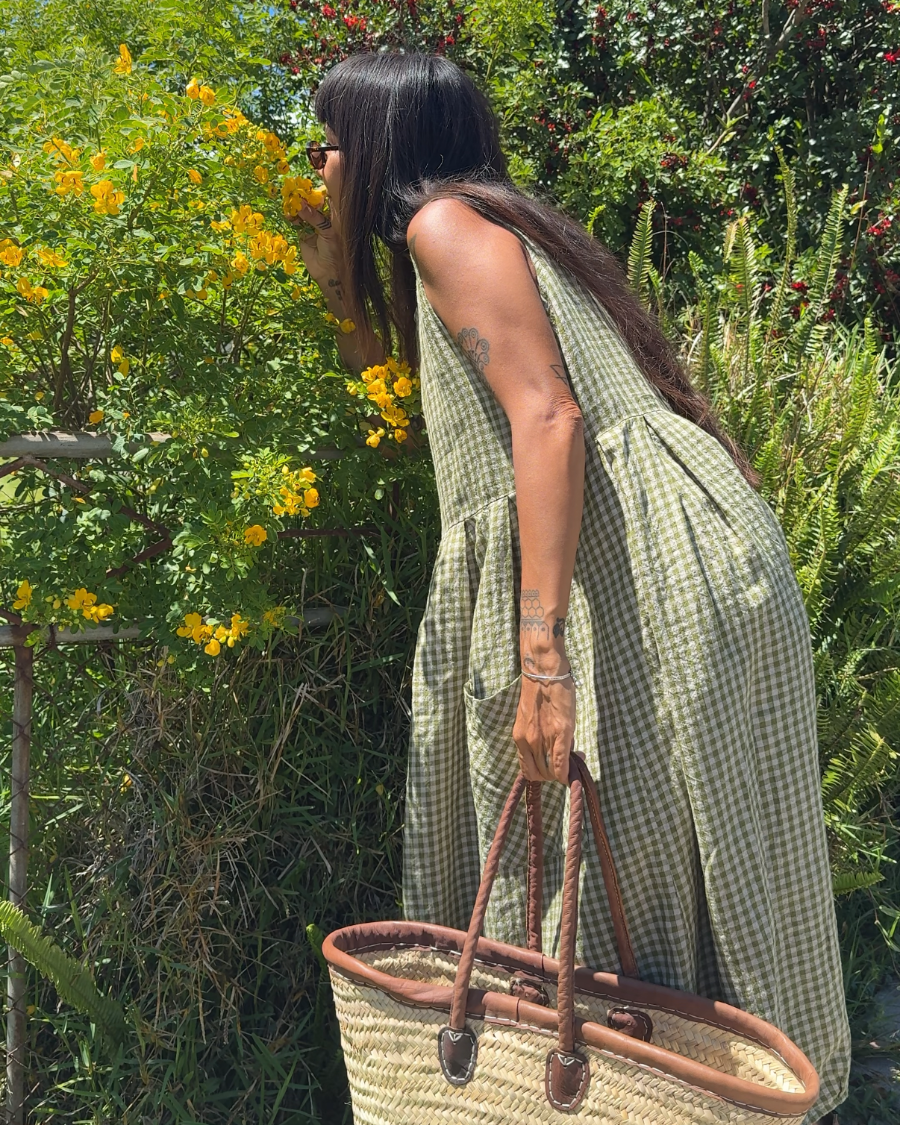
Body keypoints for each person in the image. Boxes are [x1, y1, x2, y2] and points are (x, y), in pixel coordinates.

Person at [289, 50, 851, 1124]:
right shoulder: (481, 228)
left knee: (612, 848)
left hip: (630, 567)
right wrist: (332, 275)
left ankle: (631, 1096)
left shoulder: (443, 227)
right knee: (681, 845)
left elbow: (549, 418)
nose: (318, 164)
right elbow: (407, 395)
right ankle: (706, 1092)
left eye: (329, 141)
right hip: (662, 552)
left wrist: (540, 657)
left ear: (376, 146)